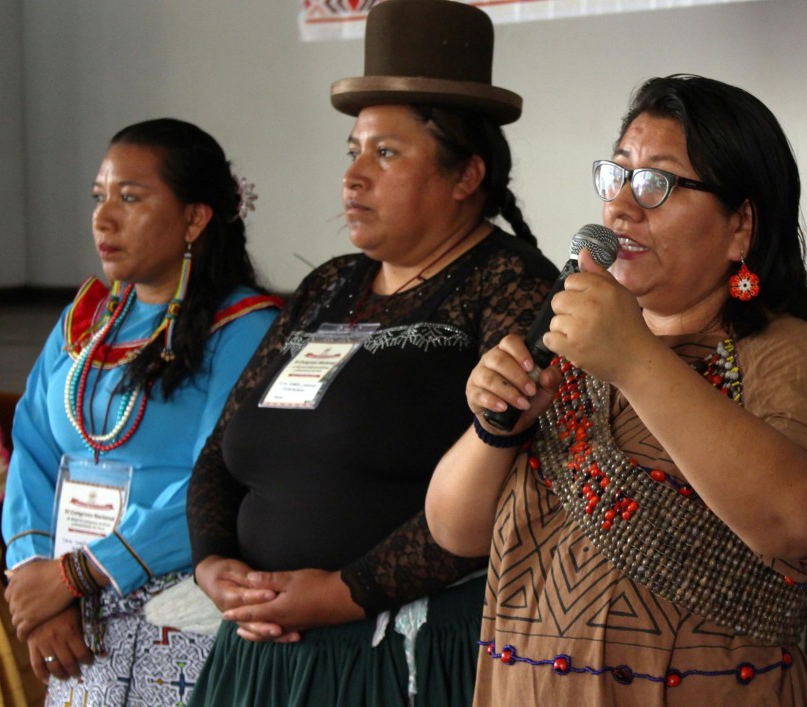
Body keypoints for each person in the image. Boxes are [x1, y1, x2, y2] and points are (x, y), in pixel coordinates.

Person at [426, 74, 807, 705]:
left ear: (741, 227)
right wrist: (493, 427)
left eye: (657, 183)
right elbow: (454, 533)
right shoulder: (575, 347)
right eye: (615, 174)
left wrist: (635, 362)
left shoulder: (789, 357)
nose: (621, 206)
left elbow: (794, 522)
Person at [184, 1, 558, 705]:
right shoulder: (329, 283)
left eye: (385, 154)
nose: (354, 176)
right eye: (352, 150)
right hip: (261, 650)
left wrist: (345, 593)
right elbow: (220, 453)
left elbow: (514, 492)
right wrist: (214, 566)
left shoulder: (513, 287)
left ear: (465, 174)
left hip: (396, 654)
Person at [0, 118, 281, 706]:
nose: (104, 218)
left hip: (177, 605)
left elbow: (222, 478)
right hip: (71, 605)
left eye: (130, 198)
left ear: (195, 217)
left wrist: (79, 575)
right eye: (99, 197)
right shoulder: (88, 320)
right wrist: (39, 579)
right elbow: (31, 447)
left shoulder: (246, 329)